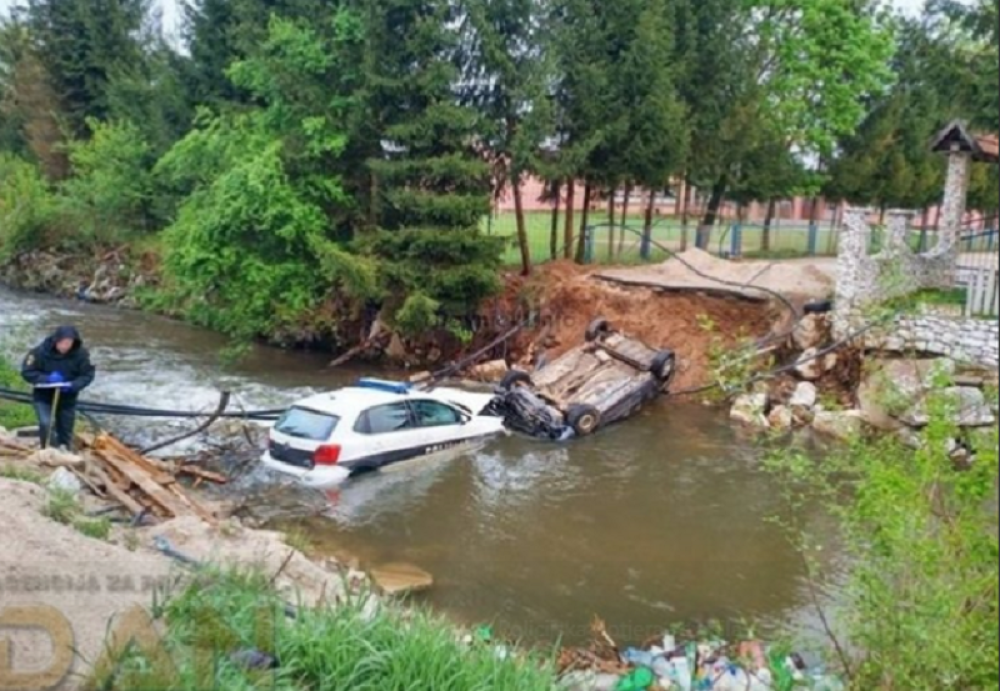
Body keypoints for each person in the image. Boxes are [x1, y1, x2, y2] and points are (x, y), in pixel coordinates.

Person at [20, 325, 96, 450]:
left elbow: (87, 375)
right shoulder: (39, 352)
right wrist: (47, 378)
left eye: (68, 343)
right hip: (43, 396)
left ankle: (64, 450)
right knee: (46, 423)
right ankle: (47, 449)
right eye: (63, 343)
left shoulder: (81, 355)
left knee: (65, 429)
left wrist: (73, 385)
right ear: (56, 340)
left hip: (67, 397)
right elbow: (27, 372)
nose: (65, 346)